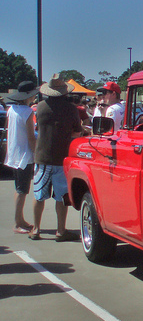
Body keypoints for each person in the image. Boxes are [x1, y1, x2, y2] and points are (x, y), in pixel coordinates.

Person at [30, 73, 84, 241]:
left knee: (39, 195)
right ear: (64, 92)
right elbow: (77, 130)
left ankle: (36, 229)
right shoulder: (71, 109)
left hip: (42, 157)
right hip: (62, 158)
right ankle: (61, 230)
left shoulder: (40, 107)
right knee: (61, 196)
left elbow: (38, 127)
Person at [4, 81, 38, 234]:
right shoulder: (28, 111)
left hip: (13, 154)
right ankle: (18, 223)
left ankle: (20, 219)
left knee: (19, 188)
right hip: (24, 155)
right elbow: (31, 137)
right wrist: (36, 153)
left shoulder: (12, 109)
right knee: (23, 189)